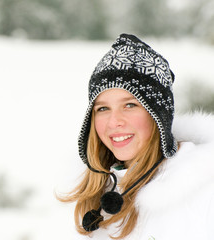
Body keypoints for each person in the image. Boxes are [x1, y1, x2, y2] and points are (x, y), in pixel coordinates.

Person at [60, 33, 214, 239]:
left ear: (158, 115)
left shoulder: (205, 189)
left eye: (130, 105)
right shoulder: (93, 198)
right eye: (103, 108)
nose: (114, 122)